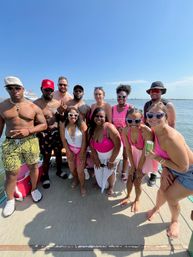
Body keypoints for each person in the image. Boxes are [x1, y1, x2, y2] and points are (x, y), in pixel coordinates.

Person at [0, 76, 47, 217]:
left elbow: (43, 125)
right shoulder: (2, 106)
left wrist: (29, 130)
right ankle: (10, 199)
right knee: (11, 172)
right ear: (7, 90)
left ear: (23, 89)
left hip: (30, 140)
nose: (14, 91)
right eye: (10, 88)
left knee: (33, 167)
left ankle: (33, 189)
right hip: (10, 142)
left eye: (17, 88)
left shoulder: (33, 107)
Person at [146, 102, 193, 238]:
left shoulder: (171, 138)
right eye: (150, 115)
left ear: (166, 117)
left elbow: (183, 167)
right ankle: (157, 208)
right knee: (162, 190)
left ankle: (175, 221)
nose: (153, 118)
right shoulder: (155, 131)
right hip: (172, 166)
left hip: (189, 172)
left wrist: (157, 159)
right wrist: (165, 168)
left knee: (171, 197)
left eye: (158, 115)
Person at [120, 108, 158, 212]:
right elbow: (127, 148)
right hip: (134, 153)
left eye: (137, 121)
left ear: (141, 119)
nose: (133, 123)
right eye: (130, 121)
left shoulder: (147, 131)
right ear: (126, 119)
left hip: (146, 156)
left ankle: (137, 199)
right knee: (129, 177)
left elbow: (147, 152)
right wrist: (132, 166)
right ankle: (128, 196)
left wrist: (139, 169)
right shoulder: (125, 130)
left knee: (137, 180)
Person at [34, 79, 68, 189]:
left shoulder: (57, 103)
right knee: (46, 156)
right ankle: (45, 175)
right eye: (46, 90)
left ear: (53, 91)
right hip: (44, 135)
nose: (48, 92)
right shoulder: (36, 104)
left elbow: (62, 120)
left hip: (56, 133)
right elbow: (35, 122)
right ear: (41, 89)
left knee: (58, 153)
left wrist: (63, 112)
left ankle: (58, 171)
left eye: (50, 90)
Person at [144, 81, 176, 186]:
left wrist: (170, 140)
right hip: (151, 134)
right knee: (151, 155)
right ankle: (148, 170)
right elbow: (145, 120)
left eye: (157, 90)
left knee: (163, 157)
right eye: (152, 91)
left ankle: (156, 174)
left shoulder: (168, 105)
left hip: (163, 136)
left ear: (161, 92)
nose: (154, 93)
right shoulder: (147, 105)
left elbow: (172, 123)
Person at [88, 108, 122, 195]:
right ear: (93, 117)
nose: (99, 118)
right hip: (100, 153)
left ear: (105, 117)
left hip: (113, 152)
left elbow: (118, 145)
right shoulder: (91, 129)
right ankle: (99, 181)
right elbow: (91, 147)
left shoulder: (109, 127)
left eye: (101, 116)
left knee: (110, 170)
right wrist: (96, 159)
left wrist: (111, 160)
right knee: (98, 168)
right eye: (96, 116)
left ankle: (111, 187)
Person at [59, 107, 87, 196]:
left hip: (80, 149)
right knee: (72, 169)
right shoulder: (63, 125)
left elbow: (84, 140)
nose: (73, 117)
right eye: (71, 115)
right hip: (70, 149)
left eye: (76, 115)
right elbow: (63, 140)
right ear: (67, 115)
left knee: (80, 171)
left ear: (78, 116)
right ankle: (75, 180)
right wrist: (68, 151)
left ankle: (82, 186)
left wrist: (82, 152)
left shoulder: (82, 124)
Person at [112, 84, 133, 182]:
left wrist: (124, 129)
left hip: (126, 135)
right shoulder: (113, 108)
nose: (121, 98)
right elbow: (110, 122)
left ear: (127, 97)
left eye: (123, 97)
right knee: (114, 153)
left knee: (125, 155)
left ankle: (124, 172)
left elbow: (133, 124)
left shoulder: (130, 108)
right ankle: (113, 170)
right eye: (119, 96)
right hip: (115, 135)